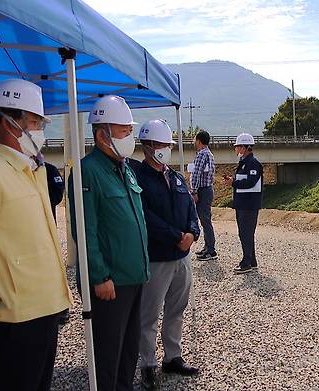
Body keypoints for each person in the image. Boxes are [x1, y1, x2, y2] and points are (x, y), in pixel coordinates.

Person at [0, 79, 72, 391]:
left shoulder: (32, 169)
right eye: (33, 122)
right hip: (14, 318)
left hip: (42, 309)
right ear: (7, 123)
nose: (39, 131)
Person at [68, 95, 149, 391]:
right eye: (123, 130)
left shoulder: (124, 167)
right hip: (110, 284)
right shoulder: (87, 171)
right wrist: (99, 275)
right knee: (107, 356)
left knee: (129, 353)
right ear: (102, 135)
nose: (129, 136)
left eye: (130, 130)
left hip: (134, 277)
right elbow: (85, 230)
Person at [133, 119, 201, 390]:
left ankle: (172, 357)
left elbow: (190, 210)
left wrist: (193, 233)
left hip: (181, 258)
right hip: (158, 256)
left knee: (176, 310)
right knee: (149, 314)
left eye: (168, 145)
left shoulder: (175, 177)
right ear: (148, 146)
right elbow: (146, 217)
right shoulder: (139, 179)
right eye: (161, 145)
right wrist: (177, 237)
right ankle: (147, 364)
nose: (165, 149)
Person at [222, 133, 263, 274]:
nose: (236, 149)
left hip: (249, 205)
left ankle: (246, 263)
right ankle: (251, 261)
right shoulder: (244, 163)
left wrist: (233, 182)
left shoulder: (253, 163)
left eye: (238, 146)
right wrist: (232, 181)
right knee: (245, 233)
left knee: (246, 233)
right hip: (242, 204)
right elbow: (243, 180)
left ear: (245, 147)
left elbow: (250, 182)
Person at [190, 130, 217, 261]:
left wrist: (194, 191)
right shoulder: (210, 154)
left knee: (205, 220)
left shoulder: (201, 154)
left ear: (199, 141)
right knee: (205, 219)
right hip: (208, 189)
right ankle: (208, 247)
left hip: (202, 190)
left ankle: (211, 250)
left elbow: (197, 173)